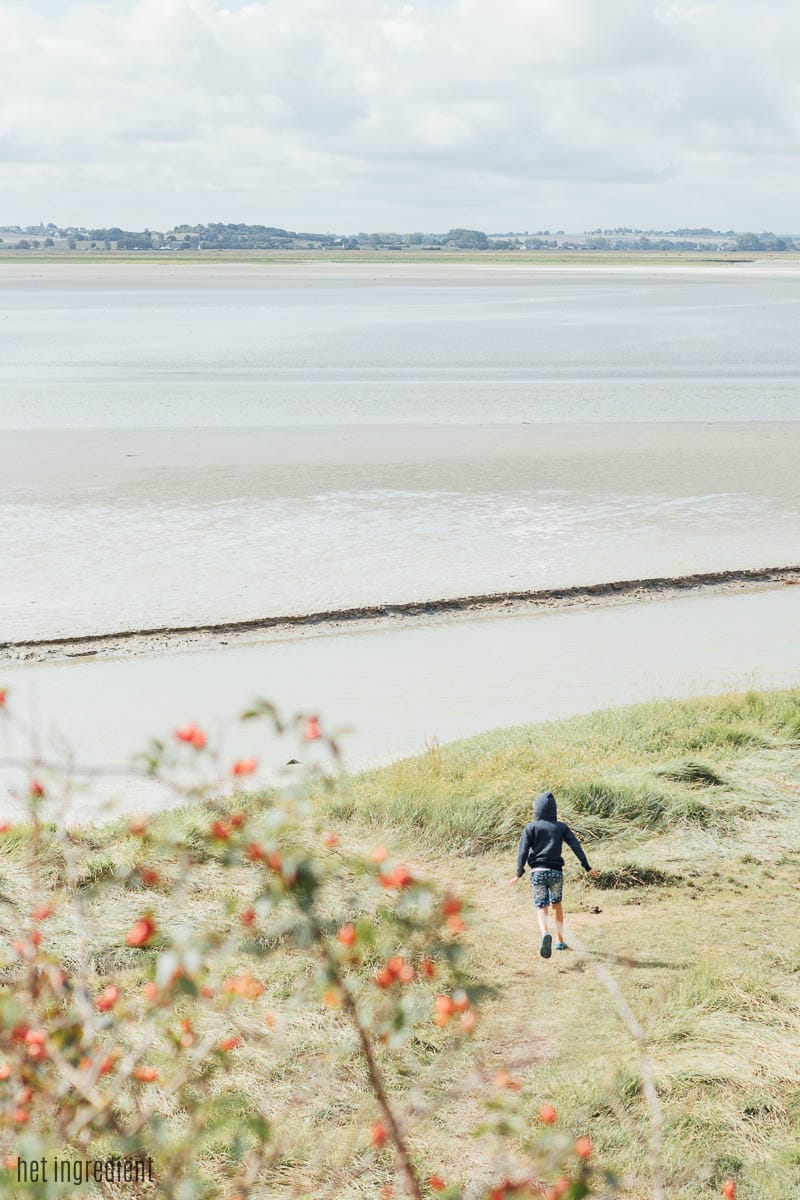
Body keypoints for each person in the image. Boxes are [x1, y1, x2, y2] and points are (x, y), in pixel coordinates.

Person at [510, 790, 595, 958]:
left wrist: (519, 873)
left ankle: (544, 934)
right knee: (557, 904)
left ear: (538, 809)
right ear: (554, 809)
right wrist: (587, 867)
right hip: (556, 873)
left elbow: (523, 852)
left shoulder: (531, 827)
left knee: (542, 906)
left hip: (538, 873)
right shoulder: (561, 827)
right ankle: (560, 940)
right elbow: (575, 846)